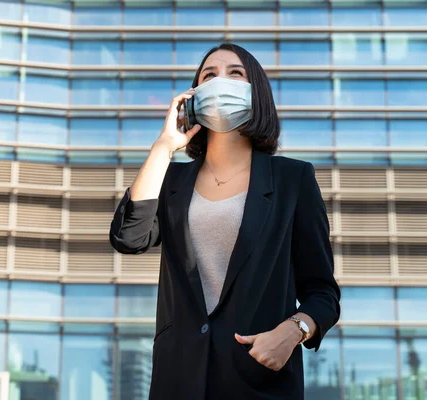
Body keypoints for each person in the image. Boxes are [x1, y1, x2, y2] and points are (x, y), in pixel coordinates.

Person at [108, 43, 341, 399]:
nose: (220, 82)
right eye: (208, 75)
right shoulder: (171, 181)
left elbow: (323, 294)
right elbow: (129, 236)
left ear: (256, 92)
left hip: (259, 380)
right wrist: (163, 147)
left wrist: (294, 330)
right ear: (194, 95)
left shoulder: (293, 180)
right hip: (178, 380)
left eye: (235, 73)